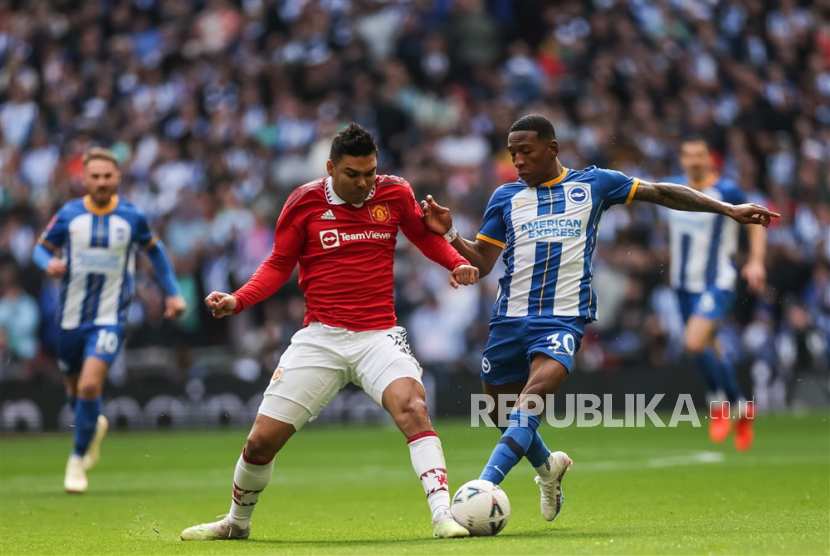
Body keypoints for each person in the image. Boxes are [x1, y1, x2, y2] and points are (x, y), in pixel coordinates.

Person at [420, 114, 778, 523]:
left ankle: (485, 486)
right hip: (508, 320)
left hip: (562, 320)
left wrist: (728, 209)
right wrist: (449, 235)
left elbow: (662, 192)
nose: (516, 160)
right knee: (501, 413)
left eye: (526, 151)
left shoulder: (594, 184)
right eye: (512, 152)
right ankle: (548, 469)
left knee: (529, 404)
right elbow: (482, 262)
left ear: (552, 149)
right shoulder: (505, 197)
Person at [180, 124, 478, 541]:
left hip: (379, 335)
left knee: (412, 407)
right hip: (320, 338)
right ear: (330, 168)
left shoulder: (394, 193)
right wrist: (239, 299)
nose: (363, 183)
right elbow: (278, 265)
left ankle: (443, 516)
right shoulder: (303, 202)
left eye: (370, 173)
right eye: (353, 174)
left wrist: (454, 262)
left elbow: (421, 236)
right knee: (260, 443)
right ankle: (236, 523)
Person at [32, 147, 186, 493]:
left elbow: (157, 254)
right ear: (84, 179)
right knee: (76, 394)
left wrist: (173, 292)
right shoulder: (70, 214)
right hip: (70, 319)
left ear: (117, 178)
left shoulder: (131, 217)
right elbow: (40, 248)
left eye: (107, 176)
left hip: (110, 318)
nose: (101, 182)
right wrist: (48, 263)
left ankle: (76, 459)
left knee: (89, 386)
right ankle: (93, 424)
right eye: (95, 177)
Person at [664, 137, 766, 450]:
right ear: (681, 160)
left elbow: (756, 222)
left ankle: (719, 404)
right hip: (682, 284)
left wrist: (756, 261)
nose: (694, 160)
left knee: (694, 343)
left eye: (699, 155)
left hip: (717, 280)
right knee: (710, 346)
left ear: (710, 159)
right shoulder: (672, 189)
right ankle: (742, 407)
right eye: (688, 155)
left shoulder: (728, 192)